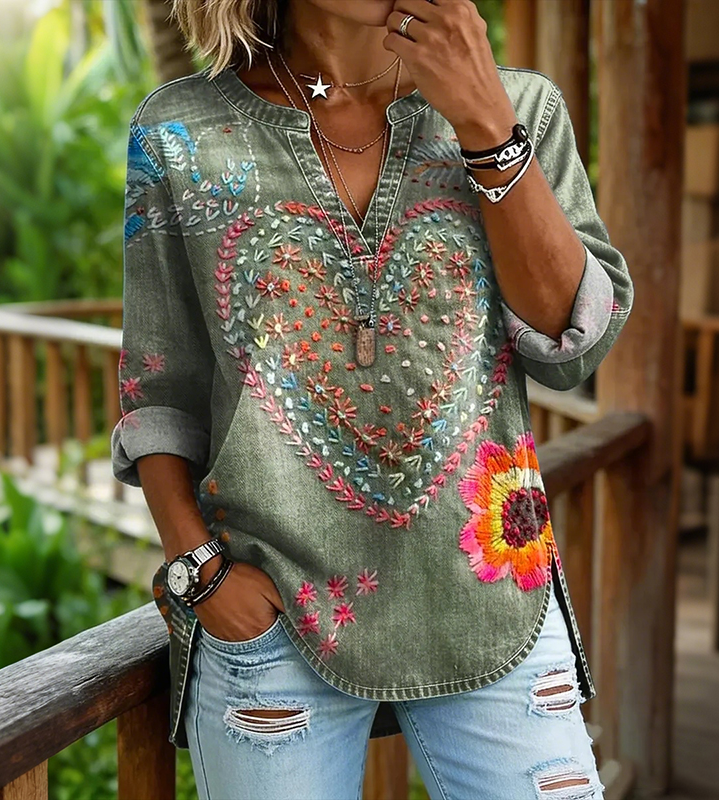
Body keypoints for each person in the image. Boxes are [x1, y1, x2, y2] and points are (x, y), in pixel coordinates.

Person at [110, 0, 633, 797]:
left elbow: (573, 344)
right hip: (275, 612)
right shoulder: (181, 131)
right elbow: (160, 384)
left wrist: (487, 127)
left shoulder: (521, 106)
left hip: (493, 598)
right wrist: (201, 573)